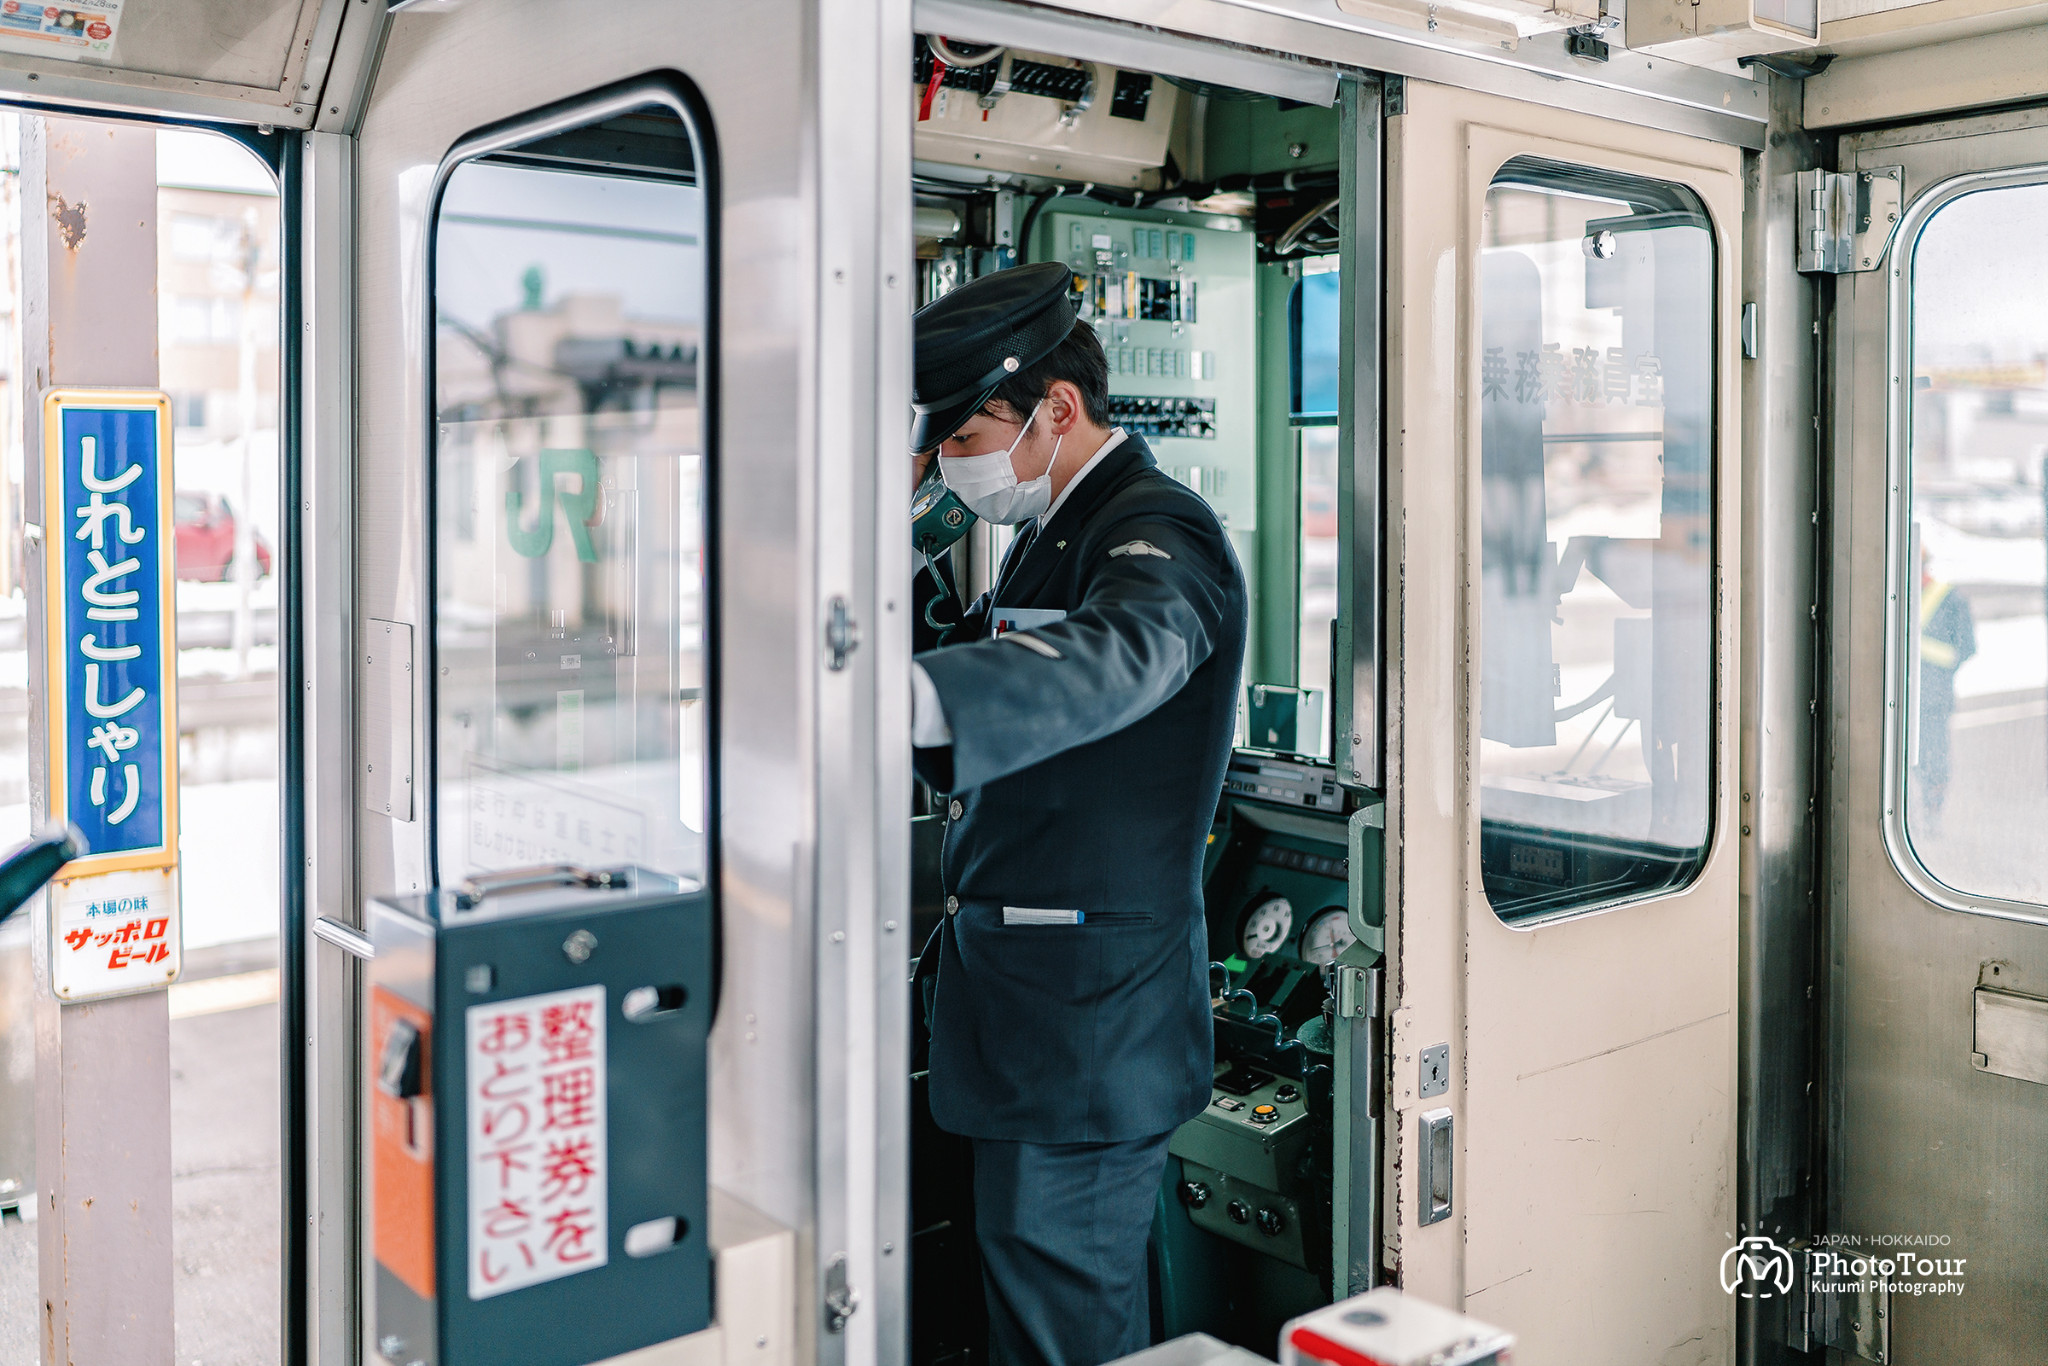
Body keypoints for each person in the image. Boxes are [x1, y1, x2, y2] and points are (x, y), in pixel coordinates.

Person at [907, 261, 1247, 1366]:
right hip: (1032, 1022)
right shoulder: (1048, 531)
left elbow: (1118, 656)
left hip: (1087, 1033)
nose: (954, 467)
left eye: (962, 439)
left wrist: (913, 695)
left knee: (1063, 1332)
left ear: (1055, 410)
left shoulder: (1157, 529)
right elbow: (972, 693)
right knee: (1056, 1310)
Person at [1916, 554, 1976, 822]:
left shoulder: (1950, 600)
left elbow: (1965, 647)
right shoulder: (1895, 596)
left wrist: (1927, 655)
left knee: (1934, 758)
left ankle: (1932, 809)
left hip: (1933, 698)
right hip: (1908, 697)